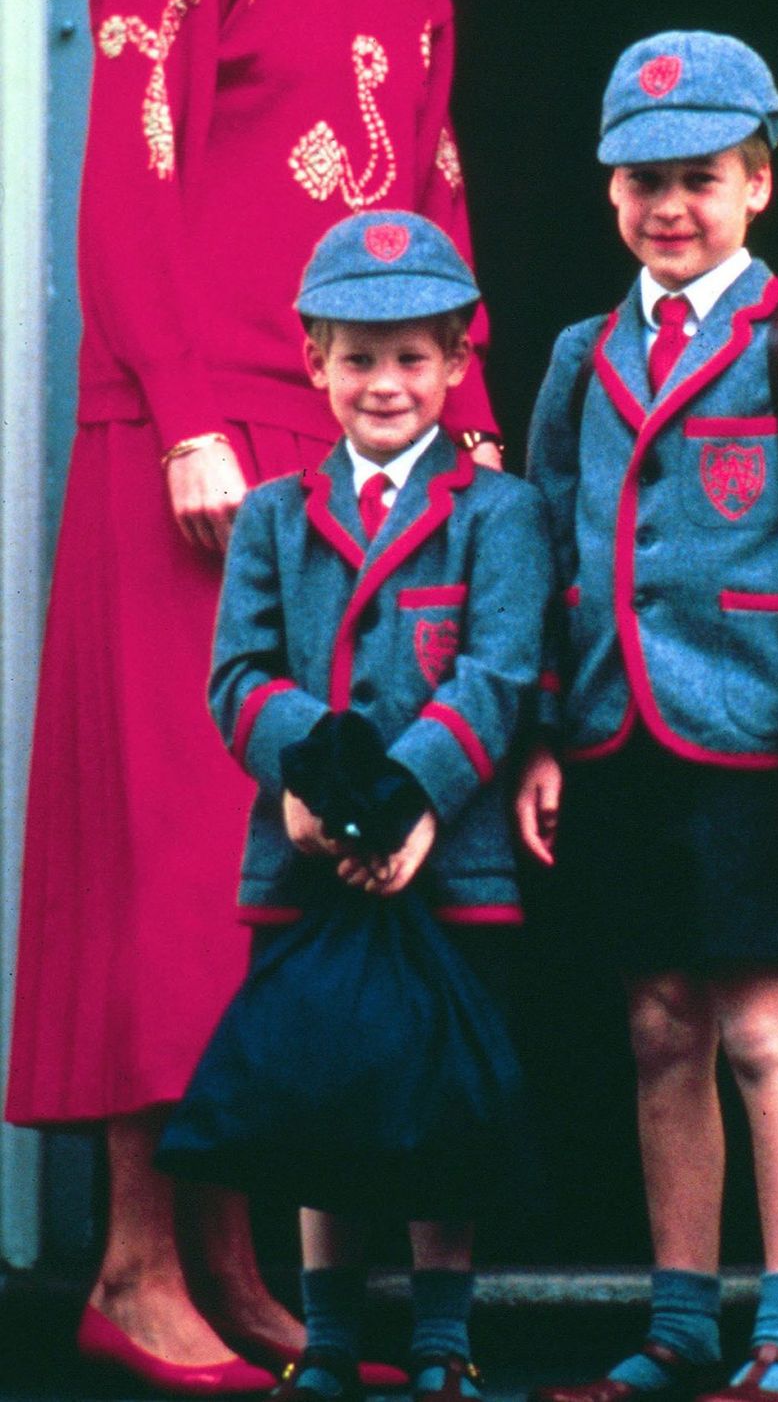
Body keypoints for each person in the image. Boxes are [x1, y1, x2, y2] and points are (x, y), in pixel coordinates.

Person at [6, 0, 503, 1393]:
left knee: (271, 870)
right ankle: (136, 1263)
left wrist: (468, 437)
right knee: (164, 840)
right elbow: (124, 184)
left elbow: (435, 203)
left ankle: (228, 1258)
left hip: (345, 455)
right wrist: (188, 419)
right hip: (193, 438)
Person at [517, 31, 778, 1402]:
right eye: (640, 182)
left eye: (698, 178)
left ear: (759, 185)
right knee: (659, 1027)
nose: (667, 208)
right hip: (619, 736)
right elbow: (552, 549)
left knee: (759, 1024)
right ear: (611, 193)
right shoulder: (580, 355)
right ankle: (681, 1322)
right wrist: (548, 730)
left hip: (752, 742)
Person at [203, 208, 552, 1402]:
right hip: (304, 849)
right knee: (323, 1095)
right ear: (314, 362)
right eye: (357, 356)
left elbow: (498, 672)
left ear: (458, 363)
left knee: (434, 1100)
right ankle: (332, 1336)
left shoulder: (499, 514)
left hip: (446, 854)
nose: (385, 383)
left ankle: (446, 1339)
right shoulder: (271, 516)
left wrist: (407, 807)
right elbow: (238, 677)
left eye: (412, 357)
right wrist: (314, 795)